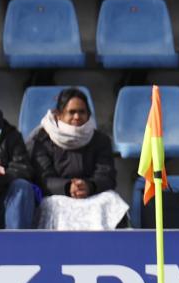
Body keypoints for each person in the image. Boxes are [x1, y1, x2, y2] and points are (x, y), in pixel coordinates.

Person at [30, 88, 129, 230]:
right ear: (58, 115)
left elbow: (107, 176)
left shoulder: (100, 140)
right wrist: (67, 187)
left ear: (88, 114)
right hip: (56, 196)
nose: (77, 117)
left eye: (82, 112)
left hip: (92, 193)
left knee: (112, 201)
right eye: (71, 112)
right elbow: (43, 179)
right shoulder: (42, 139)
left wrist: (89, 186)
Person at [0, 88, 37, 230]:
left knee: (22, 187)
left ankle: (17, 246)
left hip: (3, 204)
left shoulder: (10, 135)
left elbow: (24, 169)